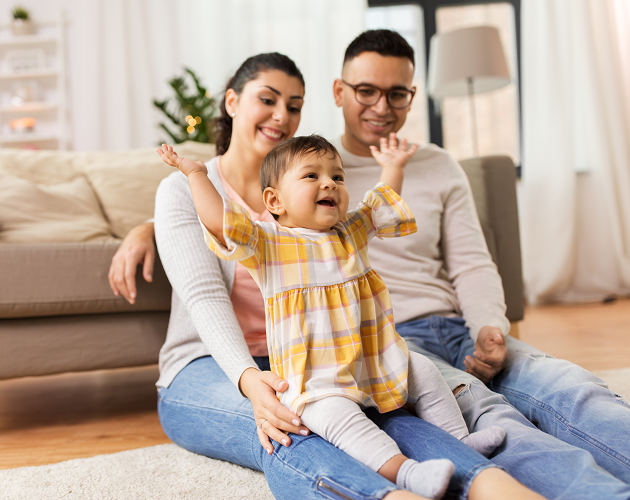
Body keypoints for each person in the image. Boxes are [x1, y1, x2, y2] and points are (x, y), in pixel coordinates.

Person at [110, 52, 545, 500]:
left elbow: (377, 206)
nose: (282, 115)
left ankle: (485, 484)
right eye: (268, 99)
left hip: (317, 359)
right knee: (292, 427)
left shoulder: (317, 209)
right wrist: (247, 379)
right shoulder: (192, 193)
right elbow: (205, 296)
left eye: (294, 105)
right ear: (233, 102)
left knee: (395, 411)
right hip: (212, 366)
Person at [328, 29, 630, 499]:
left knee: (571, 386)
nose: (382, 107)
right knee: (487, 414)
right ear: (339, 91)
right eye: (366, 91)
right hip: (392, 343)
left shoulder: (439, 164)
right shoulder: (314, 172)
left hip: (457, 326)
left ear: (412, 96)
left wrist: (488, 325)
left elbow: (471, 262)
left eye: (397, 93)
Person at [156, 133, 507, 499]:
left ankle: (462, 442)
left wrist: (393, 166)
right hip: (315, 382)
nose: (329, 183)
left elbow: (380, 204)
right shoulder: (268, 244)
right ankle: (406, 474)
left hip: (370, 363)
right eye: (312, 176)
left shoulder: (349, 233)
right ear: (275, 200)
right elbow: (220, 222)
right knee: (345, 423)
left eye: (337, 177)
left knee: (425, 372)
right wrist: (196, 174)